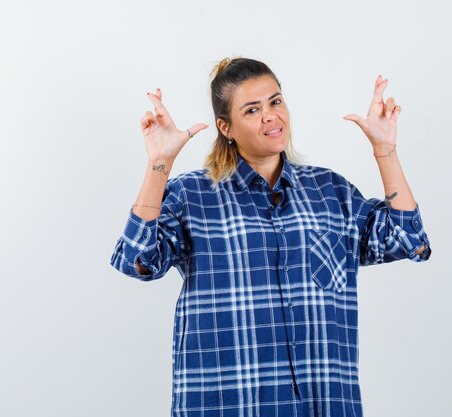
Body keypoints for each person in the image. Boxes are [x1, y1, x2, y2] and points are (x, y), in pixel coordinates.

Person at [110, 57, 432, 417]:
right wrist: (160, 164)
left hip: (322, 405)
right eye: (252, 110)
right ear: (226, 127)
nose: (270, 116)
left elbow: (409, 239)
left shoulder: (331, 192)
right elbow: (136, 260)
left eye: (275, 102)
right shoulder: (192, 196)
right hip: (228, 405)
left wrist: (385, 150)